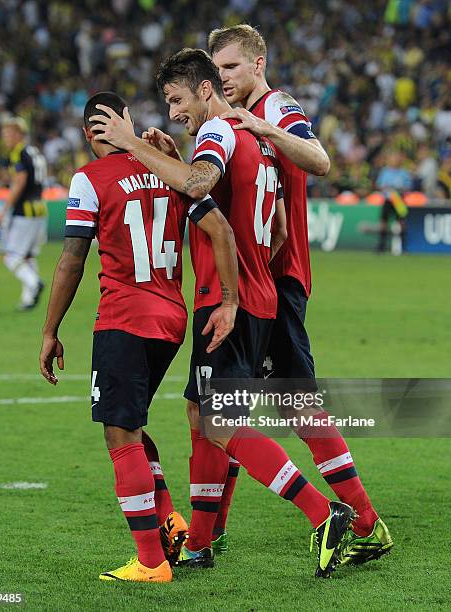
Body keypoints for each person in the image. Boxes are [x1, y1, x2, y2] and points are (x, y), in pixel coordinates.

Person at [90, 49, 355, 578]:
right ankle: (203, 541)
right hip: (261, 295)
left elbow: (196, 185)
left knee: (217, 423)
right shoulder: (257, 141)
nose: (173, 113)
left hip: (226, 300)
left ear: (204, 90)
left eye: (177, 100)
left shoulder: (219, 134)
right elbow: (277, 227)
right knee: (200, 415)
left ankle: (324, 513)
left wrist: (132, 146)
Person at [209, 24, 393, 565]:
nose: (224, 78)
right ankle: (210, 533)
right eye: (217, 70)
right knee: (238, 405)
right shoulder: (237, 119)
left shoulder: (278, 105)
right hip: (263, 278)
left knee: (264, 409)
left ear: (258, 63)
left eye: (232, 67)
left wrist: (262, 126)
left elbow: (319, 161)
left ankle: (360, 521)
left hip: (279, 279)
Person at [39, 91, 239, 584]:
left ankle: (151, 561)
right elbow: (218, 228)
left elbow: (71, 259)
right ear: (127, 122)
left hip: (124, 317)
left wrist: (49, 330)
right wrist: (229, 296)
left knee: (118, 431)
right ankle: (169, 519)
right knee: (128, 422)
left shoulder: (88, 180)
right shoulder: (167, 169)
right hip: (170, 319)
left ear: (89, 135)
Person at [0, 117, 47, 310]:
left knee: (9, 255)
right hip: (40, 209)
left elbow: (20, 182)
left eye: (8, 134)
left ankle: (34, 283)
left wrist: (4, 208)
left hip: (24, 211)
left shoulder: (19, 153)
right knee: (27, 256)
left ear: (18, 134)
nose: (5, 138)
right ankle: (28, 299)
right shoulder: (33, 151)